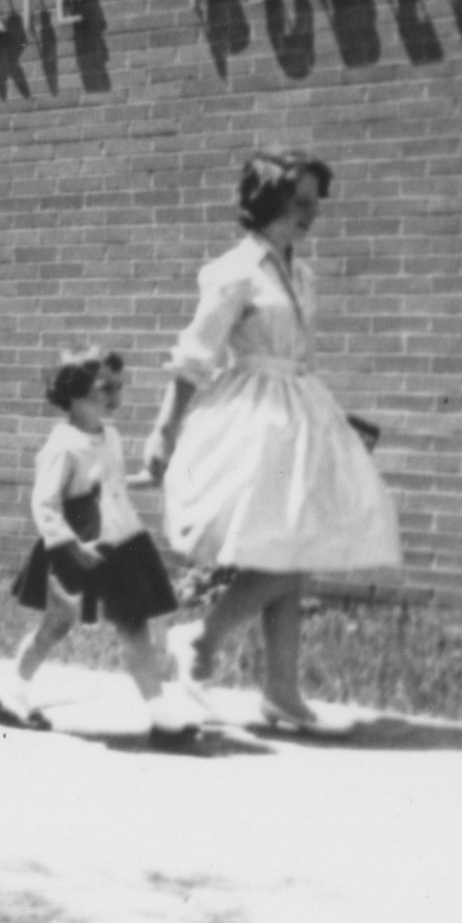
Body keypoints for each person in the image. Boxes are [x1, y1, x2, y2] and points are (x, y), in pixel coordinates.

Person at [143, 151, 403, 733]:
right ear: (269, 201)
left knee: (292, 546)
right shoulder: (235, 271)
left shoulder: (301, 273)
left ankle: (282, 691)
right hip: (251, 417)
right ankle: (201, 640)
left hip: (299, 415)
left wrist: (330, 420)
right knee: (292, 549)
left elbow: (296, 357)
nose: (311, 214)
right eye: (300, 202)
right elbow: (195, 355)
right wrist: (164, 429)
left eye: (316, 203)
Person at [0, 351, 200, 741]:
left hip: (121, 545)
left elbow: (112, 483)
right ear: (73, 393)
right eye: (105, 387)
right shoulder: (63, 444)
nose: (115, 394)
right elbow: (45, 503)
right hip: (78, 548)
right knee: (54, 626)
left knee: (133, 625)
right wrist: (71, 546)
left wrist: (148, 478)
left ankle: (161, 717)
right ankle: (12, 696)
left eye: (119, 386)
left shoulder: (111, 436)